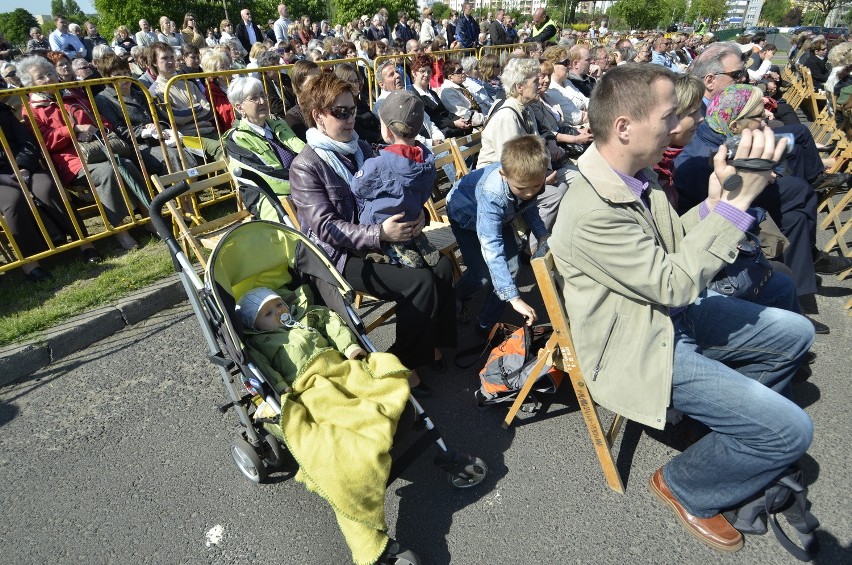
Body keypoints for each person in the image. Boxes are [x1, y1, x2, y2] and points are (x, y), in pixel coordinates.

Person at [549, 63, 814, 554]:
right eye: (670, 117)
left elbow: (669, 249)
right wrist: (741, 205)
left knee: (795, 333)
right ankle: (687, 483)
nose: (681, 125)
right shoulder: (590, 210)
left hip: (667, 320)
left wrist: (717, 202)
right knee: (793, 430)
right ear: (624, 127)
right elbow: (673, 283)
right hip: (637, 346)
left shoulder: (634, 178)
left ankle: (734, 440)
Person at [289, 72, 455, 389]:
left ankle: (429, 341)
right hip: (337, 255)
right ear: (317, 116)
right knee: (418, 282)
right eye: (340, 112)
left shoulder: (362, 146)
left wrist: (418, 214)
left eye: (352, 109)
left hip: (378, 241)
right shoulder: (306, 165)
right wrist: (380, 234)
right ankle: (399, 363)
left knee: (444, 268)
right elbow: (324, 227)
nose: (350, 118)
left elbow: (394, 191)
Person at [235, 285, 416, 565]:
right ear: (255, 325)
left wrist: (350, 347)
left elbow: (333, 321)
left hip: (339, 367)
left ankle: (373, 420)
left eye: (279, 305)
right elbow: (264, 371)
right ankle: (368, 537)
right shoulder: (261, 343)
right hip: (308, 386)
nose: (278, 313)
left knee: (381, 375)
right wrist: (281, 391)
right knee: (332, 422)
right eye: (268, 314)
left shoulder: (307, 316)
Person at [17, 55, 145, 251]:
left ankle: (149, 216)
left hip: (99, 149)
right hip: (71, 162)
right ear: (30, 83)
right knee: (107, 172)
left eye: (50, 73)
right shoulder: (31, 110)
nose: (48, 79)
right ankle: (121, 230)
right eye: (41, 77)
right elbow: (45, 141)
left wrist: (98, 129)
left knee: (126, 164)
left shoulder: (72, 95)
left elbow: (101, 119)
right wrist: (73, 130)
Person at [448, 135, 548, 332]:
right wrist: (514, 297)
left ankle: (486, 323)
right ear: (504, 175)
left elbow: (529, 207)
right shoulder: (493, 193)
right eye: (522, 188)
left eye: (536, 187)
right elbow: (491, 245)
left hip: (501, 216)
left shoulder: (529, 179)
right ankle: (455, 297)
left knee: (512, 269)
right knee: (482, 275)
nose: (529, 193)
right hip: (466, 217)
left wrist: (542, 234)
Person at [0, 99, 101, 281]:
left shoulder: (3, 111)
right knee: (13, 201)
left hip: (23, 167)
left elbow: (27, 142)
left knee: (47, 188)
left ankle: (85, 243)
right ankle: (31, 265)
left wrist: (23, 168)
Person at [477, 57, 570, 248]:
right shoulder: (507, 116)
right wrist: (542, 181)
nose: (540, 84)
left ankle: (549, 239)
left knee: (566, 184)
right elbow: (513, 166)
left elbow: (537, 148)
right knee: (554, 194)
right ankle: (532, 246)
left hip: (526, 175)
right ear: (520, 87)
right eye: (535, 81)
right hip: (499, 183)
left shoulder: (524, 110)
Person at [351, 90, 438, 268]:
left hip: (384, 222)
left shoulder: (379, 164)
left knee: (373, 209)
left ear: (388, 130)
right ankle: (416, 238)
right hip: (412, 214)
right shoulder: (426, 159)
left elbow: (357, 187)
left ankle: (391, 247)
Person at [94, 52, 197, 180]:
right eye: (118, 75)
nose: (125, 77)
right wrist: (145, 131)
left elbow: (160, 117)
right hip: (136, 146)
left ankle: (192, 191)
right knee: (172, 155)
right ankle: (179, 195)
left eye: (126, 72)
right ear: (107, 77)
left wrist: (158, 125)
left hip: (160, 137)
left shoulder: (140, 93)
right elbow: (118, 130)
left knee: (186, 153)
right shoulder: (103, 99)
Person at [224, 76, 305, 221]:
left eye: (263, 95)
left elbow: (304, 151)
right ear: (239, 107)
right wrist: (307, 181)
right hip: (268, 196)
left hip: (300, 185)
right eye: (254, 98)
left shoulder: (278, 124)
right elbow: (266, 177)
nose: (262, 101)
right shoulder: (236, 139)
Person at [409, 54, 471, 138]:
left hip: (450, 129)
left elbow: (445, 113)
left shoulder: (432, 93)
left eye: (429, 71)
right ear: (413, 73)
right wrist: (453, 123)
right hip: (437, 135)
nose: (426, 75)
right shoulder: (413, 96)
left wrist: (459, 120)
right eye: (422, 71)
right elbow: (429, 120)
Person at [439, 58, 486, 127]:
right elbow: (464, 115)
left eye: (462, 69)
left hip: (480, 119)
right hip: (470, 127)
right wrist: (486, 119)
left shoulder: (461, 85)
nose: (463, 72)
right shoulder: (447, 92)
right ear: (450, 77)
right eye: (459, 71)